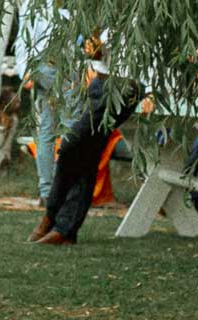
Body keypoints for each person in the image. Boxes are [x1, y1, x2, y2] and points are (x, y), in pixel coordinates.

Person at [31, 32, 142, 246]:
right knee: (85, 155)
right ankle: (63, 228)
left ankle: (54, 219)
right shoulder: (106, 18)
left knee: (72, 145)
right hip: (100, 82)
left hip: (125, 86)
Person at [14, 0, 64, 206]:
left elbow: (23, 37)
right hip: (53, 63)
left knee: (47, 129)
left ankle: (48, 190)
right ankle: (59, 189)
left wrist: (24, 69)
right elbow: (25, 36)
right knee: (70, 126)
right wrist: (24, 69)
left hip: (49, 64)